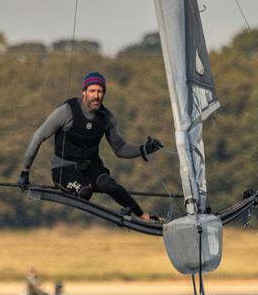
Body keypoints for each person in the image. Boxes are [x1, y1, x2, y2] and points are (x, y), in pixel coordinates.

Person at [17, 71, 165, 223]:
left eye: (100, 91)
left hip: (90, 167)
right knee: (85, 191)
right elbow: (37, 137)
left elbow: (120, 148)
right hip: (64, 169)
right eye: (92, 91)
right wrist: (25, 171)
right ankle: (77, 187)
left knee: (109, 184)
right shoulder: (66, 111)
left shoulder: (107, 118)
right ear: (84, 92)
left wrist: (143, 149)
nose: (96, 95)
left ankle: (142, 215)